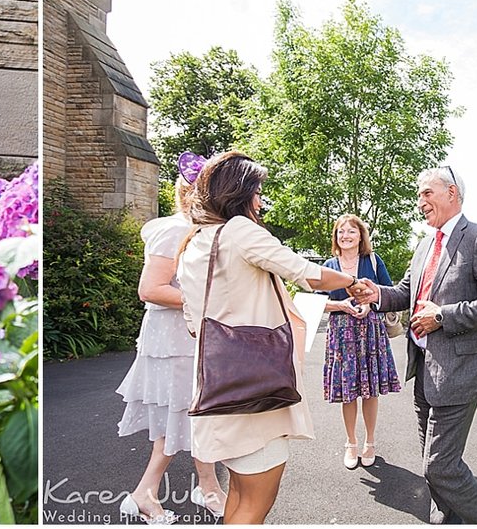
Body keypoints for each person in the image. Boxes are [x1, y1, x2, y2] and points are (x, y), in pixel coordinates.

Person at [177, 151, 357, 525]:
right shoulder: (240, 231)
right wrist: (355, 283)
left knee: (240, 497)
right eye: (258, 191)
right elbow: (308, 274)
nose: (261, 200)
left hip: (219, 385)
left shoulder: (195, 242)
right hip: (256, 393)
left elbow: (195, 322)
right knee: (256, 503)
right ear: (240, 193)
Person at [347, 166, 477, 524]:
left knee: (440, 466)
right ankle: (447, 519)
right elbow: (407, 293)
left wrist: (443, 316)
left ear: (451, 193)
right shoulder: (425, 244)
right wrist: (376, 293)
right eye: (419, 194)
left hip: (460, 372)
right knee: (433, 462)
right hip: (423, 369)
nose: (420, 201)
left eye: (427, 193)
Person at [115, 169, 226, 524]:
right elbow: (150, 289)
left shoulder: (198, 232)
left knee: (195, 413)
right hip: (172, 340)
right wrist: (208, 300)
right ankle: (150, 493)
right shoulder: (175, 230)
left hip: (189, 337)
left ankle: (205, 488)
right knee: (186, 413)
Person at [322, 214, 402, 470]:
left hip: (370, 331)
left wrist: (370, 304)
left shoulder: (373, 261)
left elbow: (390, 295)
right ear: (336, 237)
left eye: (351, 231)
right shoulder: (329, 265)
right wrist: (340, 305)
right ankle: (351, 443)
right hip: (342, 333)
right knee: (348, 392)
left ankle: (370, 441)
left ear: (361, 236)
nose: (345, 236)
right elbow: (316, 302)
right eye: (340, 232)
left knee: (370, 390)